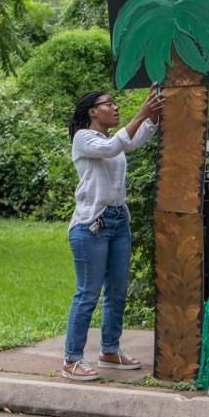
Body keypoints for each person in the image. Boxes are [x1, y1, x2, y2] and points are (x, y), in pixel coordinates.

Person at [62, 84, 164, 381]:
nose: (116, 108)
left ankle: (109, 350)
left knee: (118, 291)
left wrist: (153, 114)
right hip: (91, 225)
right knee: (88, 293)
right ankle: (72, 359)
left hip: (118, 221)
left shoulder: (110, 139)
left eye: (116, 104)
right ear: (93, 112)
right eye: (110, 104)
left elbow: (133, 139)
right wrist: (141, 113)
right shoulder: (84, 139)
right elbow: (111, 148)